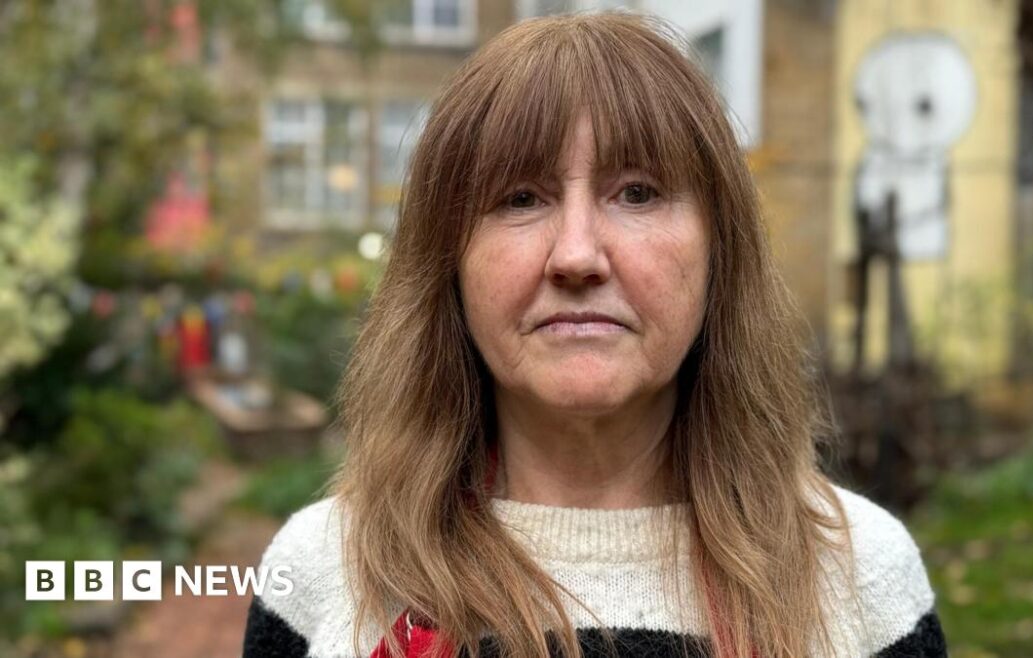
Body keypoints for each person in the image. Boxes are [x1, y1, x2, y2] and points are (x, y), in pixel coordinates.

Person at [242, 11, 945, 658]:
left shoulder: (859, 576)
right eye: (521, 198)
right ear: (448, 261)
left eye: (637, 193)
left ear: (718, 252)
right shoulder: (323, 574)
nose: (576, 255)